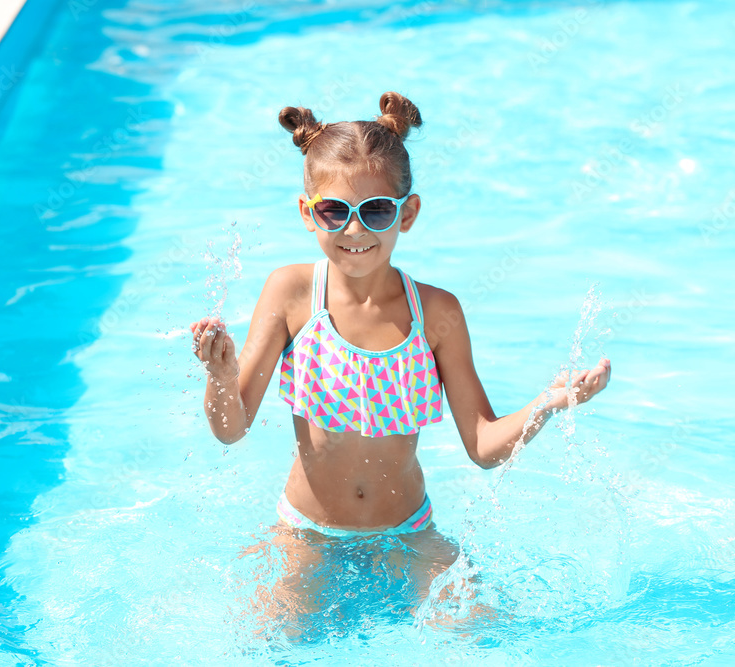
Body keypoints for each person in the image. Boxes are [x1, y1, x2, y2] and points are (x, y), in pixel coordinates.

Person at [189, 91, 611, 631]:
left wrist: (551, 402)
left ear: (407, 213)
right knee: (273, 638)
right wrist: (220, 377)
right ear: (307, 212)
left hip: (409, 529)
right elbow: (231, 428)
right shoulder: (293, 294)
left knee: (470, 630)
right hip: (308, 532)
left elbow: (482, 447)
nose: (355, 230)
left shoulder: (436, 313)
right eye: (334, 211)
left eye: (377, 210)